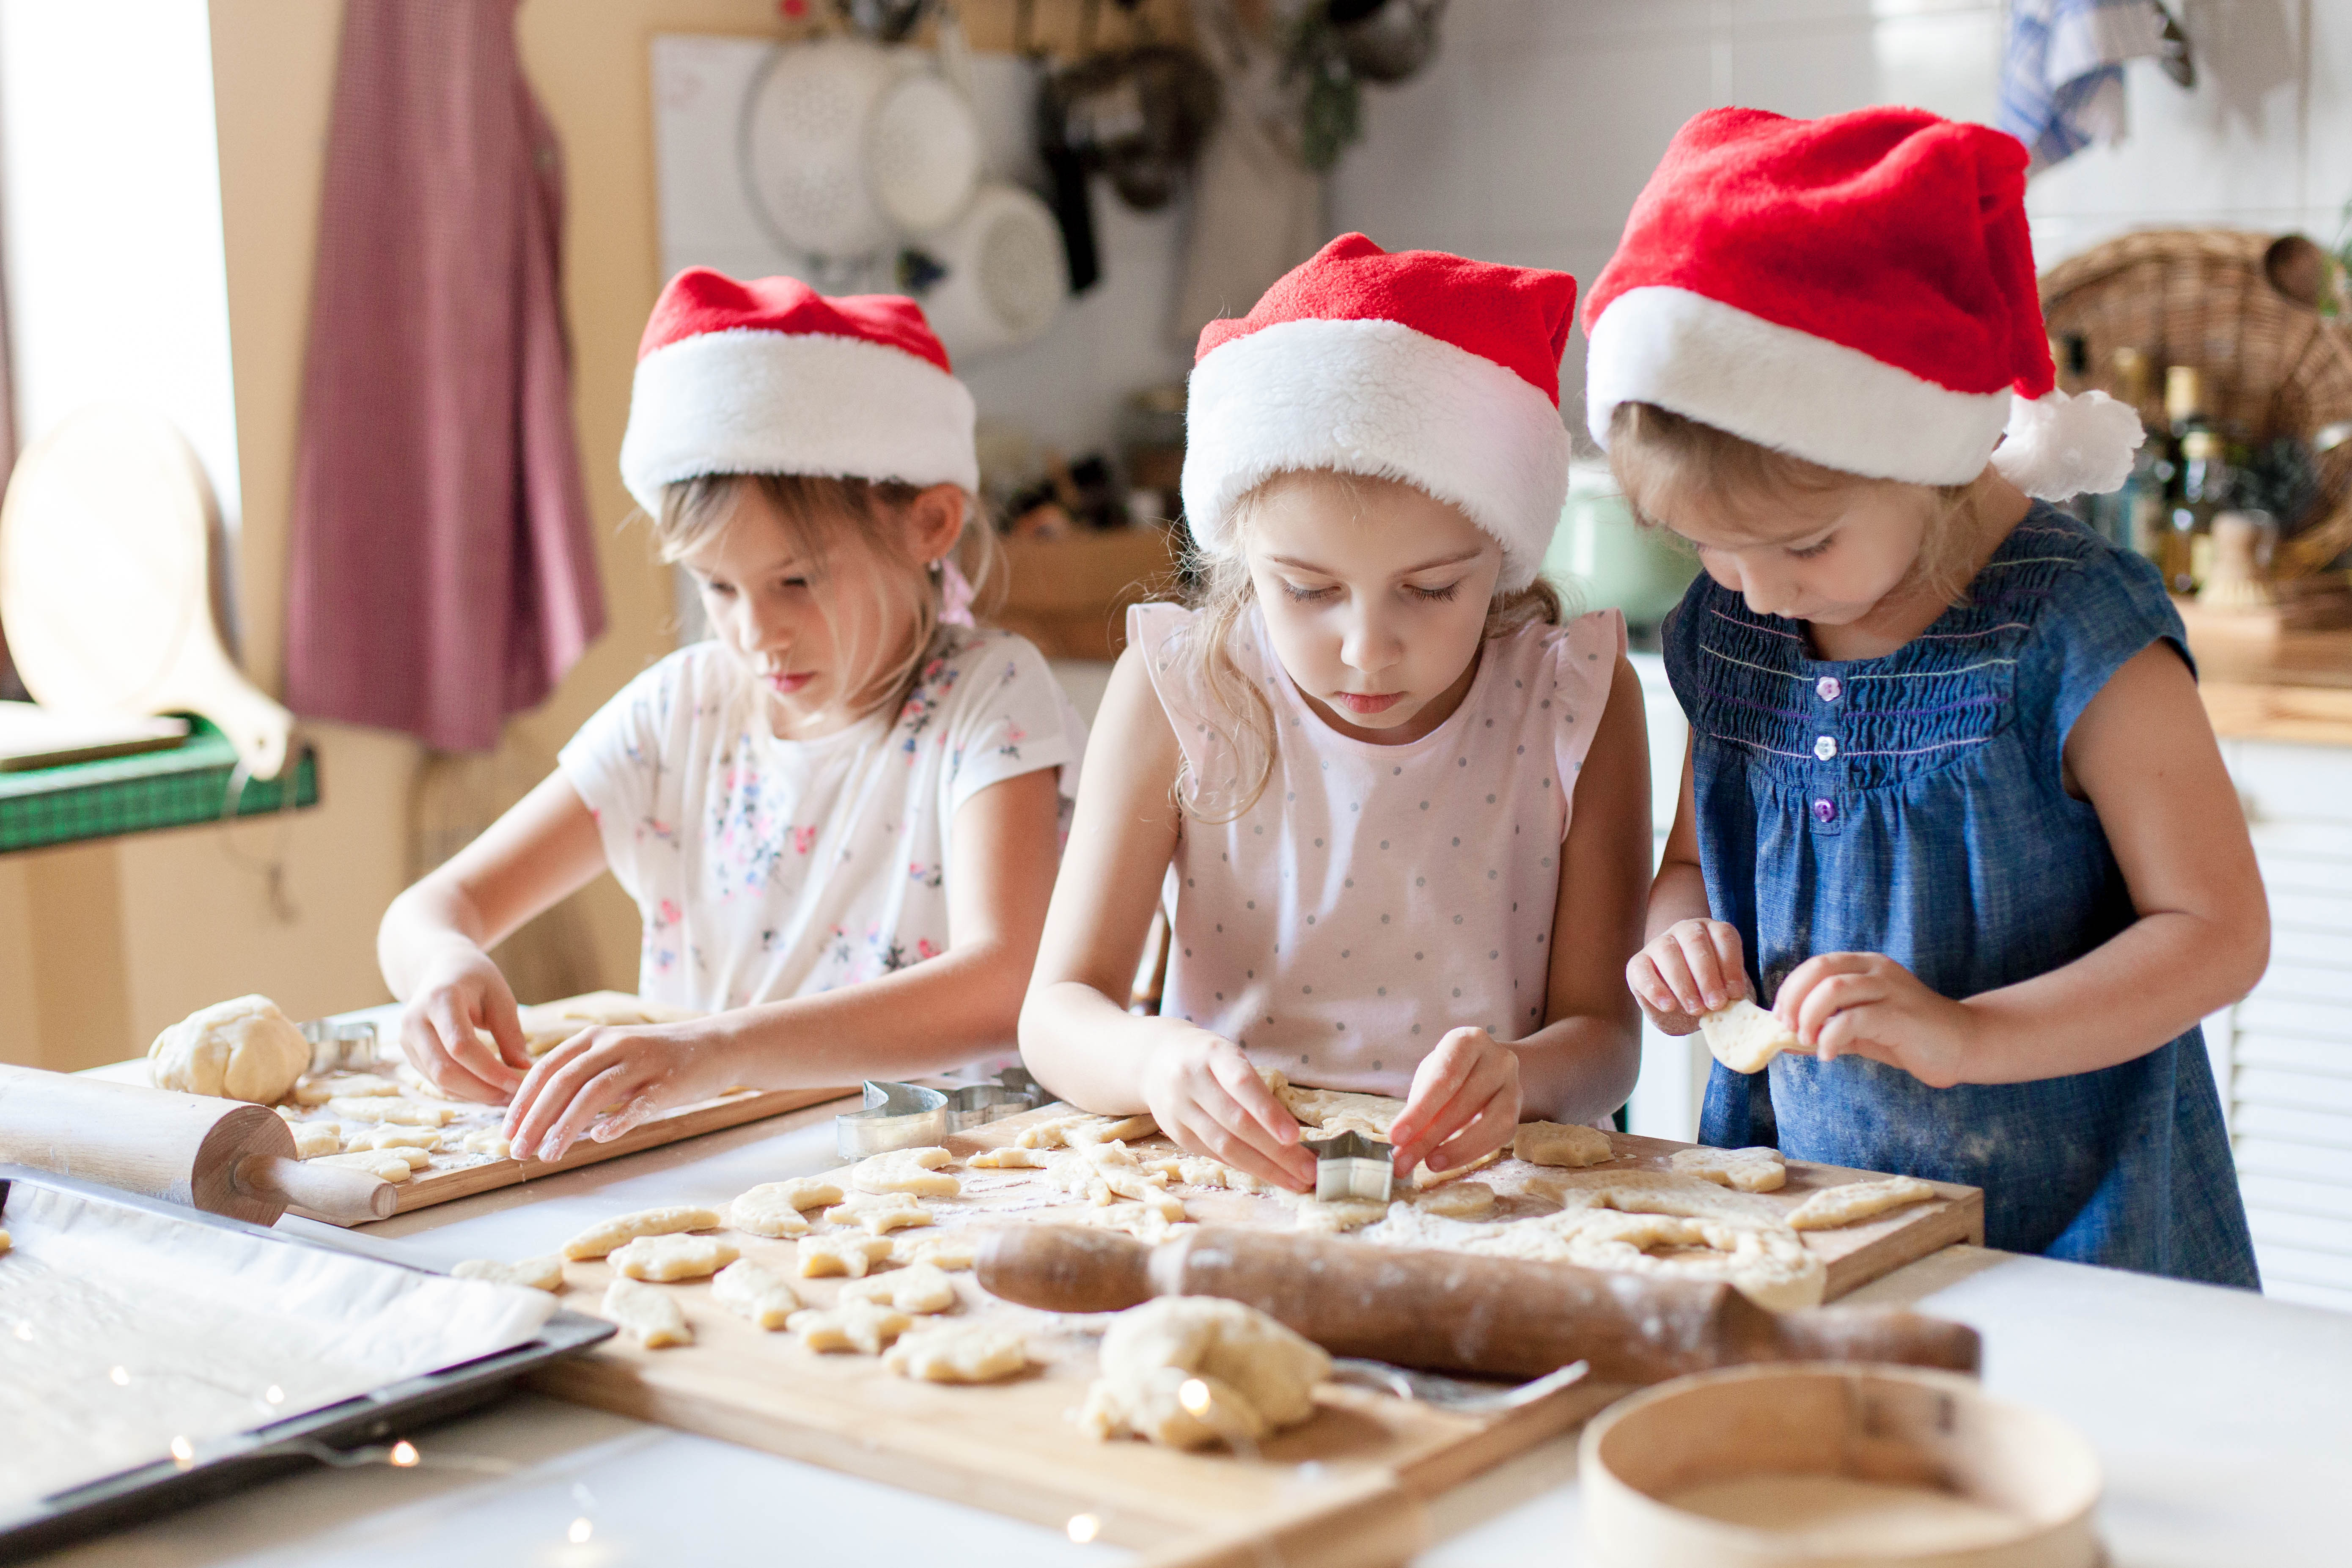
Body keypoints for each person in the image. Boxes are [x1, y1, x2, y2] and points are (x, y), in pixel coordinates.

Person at [1600, 107, 2264, 1285]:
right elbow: (1694, 872)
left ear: (1928, 456)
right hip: (1820, 1220)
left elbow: (2216, 935)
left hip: (2084, 1240)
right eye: (1706, 544)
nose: (1751, 585)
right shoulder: (1737, 632)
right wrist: (1678, 945)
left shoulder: (2072, 630)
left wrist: (1968, 1035)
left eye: (1801, 542)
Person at [377, 269, 1085, 1163]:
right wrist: (442, 966)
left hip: (953, 1176)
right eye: (718, 586)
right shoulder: (681, 714)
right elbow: (431, 907)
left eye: (798, 581)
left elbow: (1003, 980)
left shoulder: (989, 699)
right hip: (713, 1179)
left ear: (930, 525)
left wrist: (715, 1049)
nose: (758, 634)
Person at [1020, 235, 1652, 1191]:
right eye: (1307, 589)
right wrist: (1155, 1064)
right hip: (1230, 1187)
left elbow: (1605, 1041)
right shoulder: (1177, 691)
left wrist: (1519, 1077)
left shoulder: (1575, 702)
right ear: (1241, 556)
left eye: (1432, 590)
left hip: (1494, 1191)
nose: (1366, 648)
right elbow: (1057, 1013)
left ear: (1504, 552)